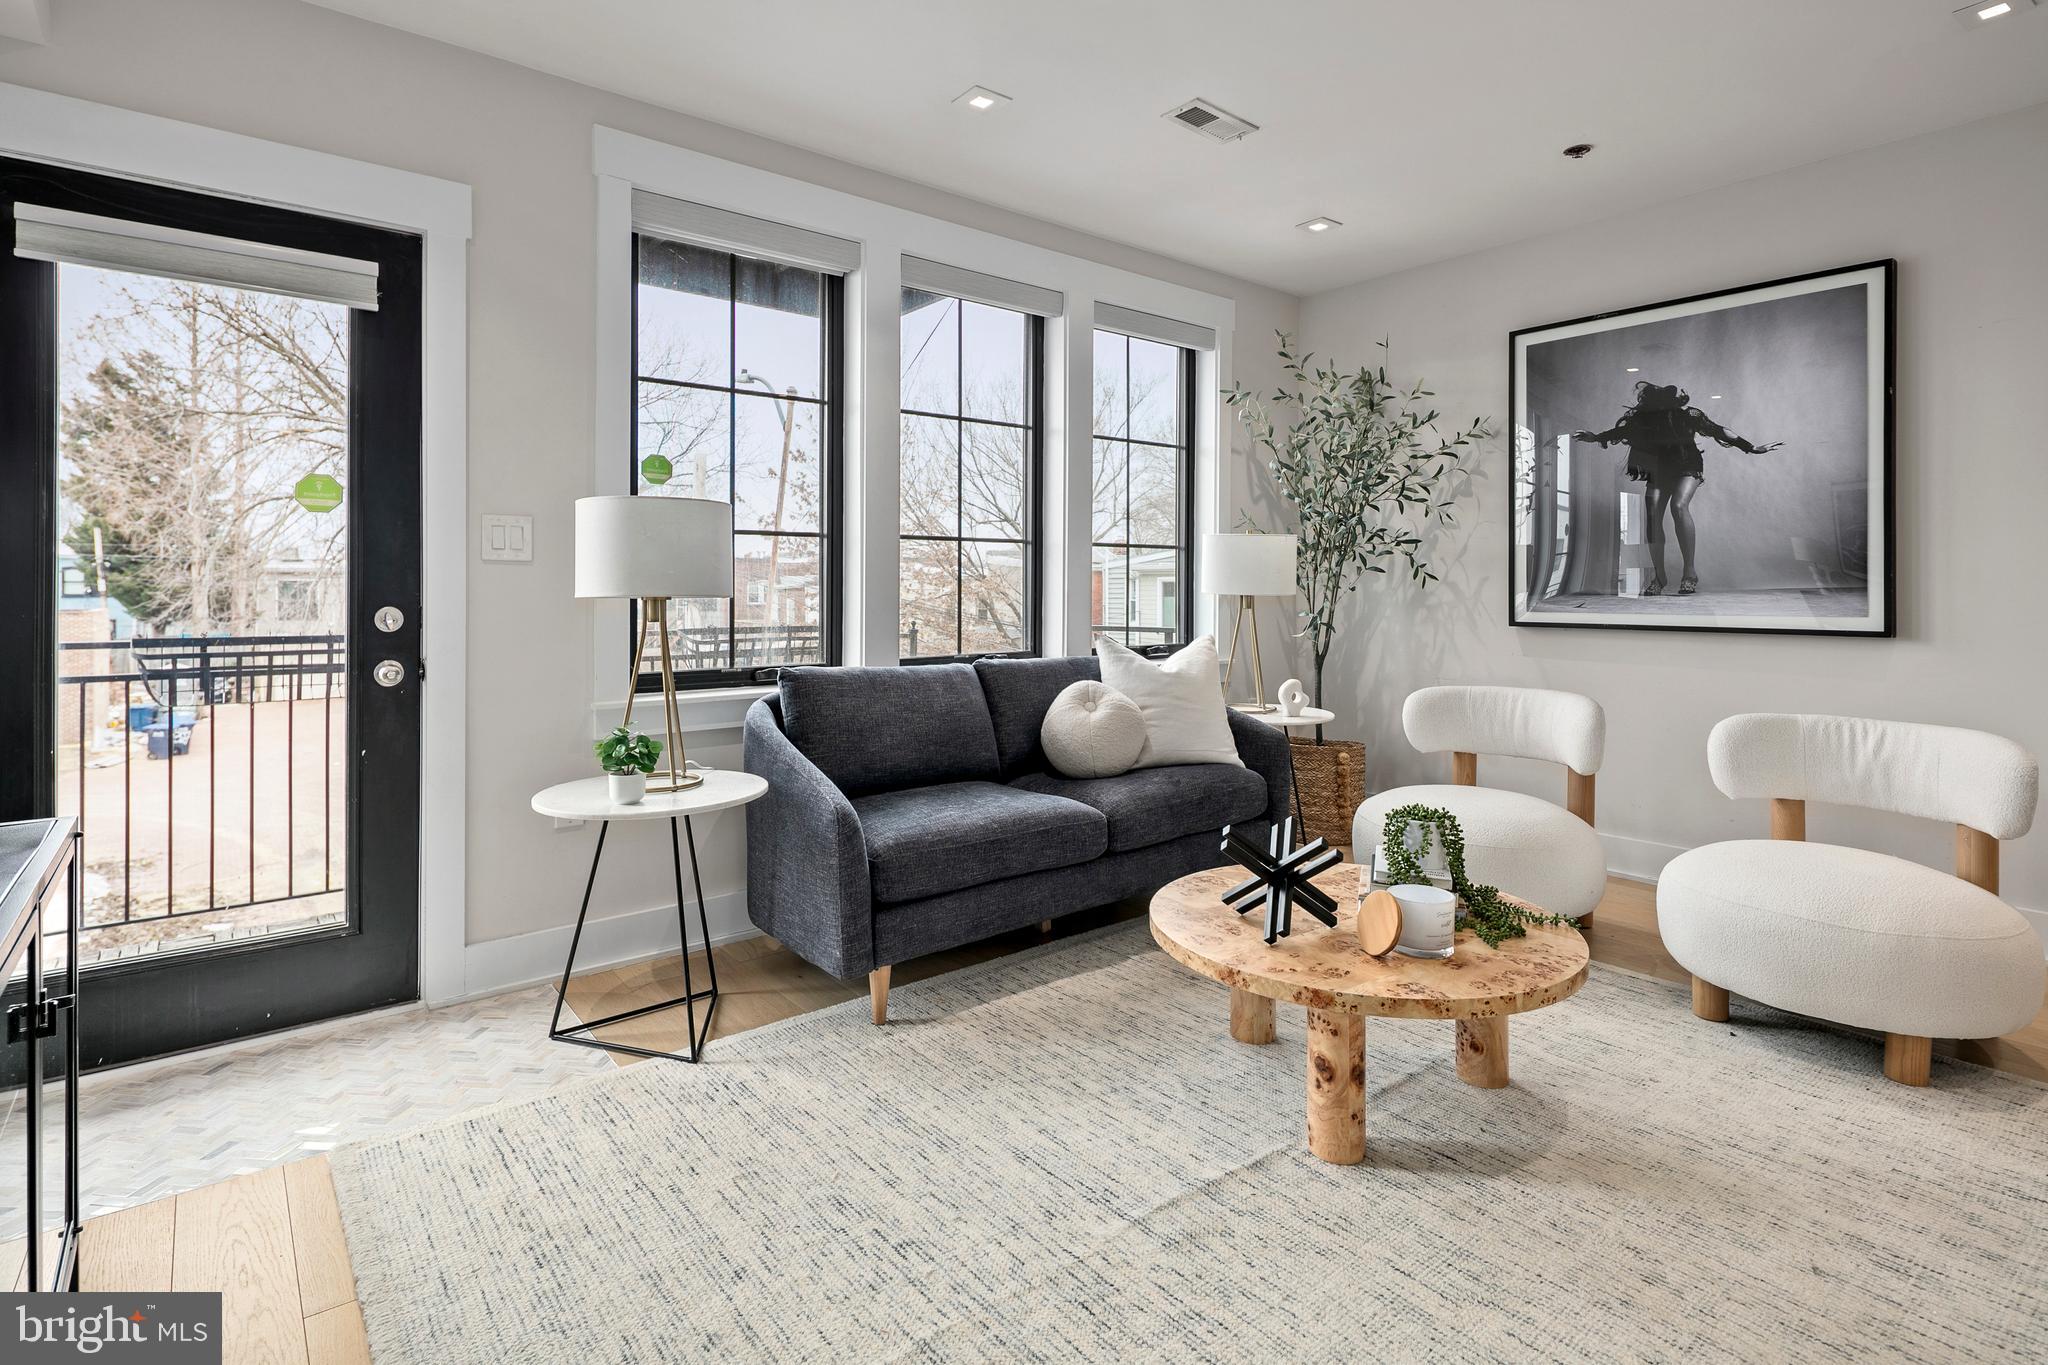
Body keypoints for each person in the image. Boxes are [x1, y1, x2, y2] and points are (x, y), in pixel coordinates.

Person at [1575, 382, 1783, 595]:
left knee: (1678, 506)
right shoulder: (1642, 420)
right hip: (1659, 469)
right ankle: (1659, 576)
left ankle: (1689, 573)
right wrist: (1595, 437)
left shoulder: (1688, 415)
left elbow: (1719, 430)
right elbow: (1619, 431)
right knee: (1653, 514)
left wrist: (1751, 447)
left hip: (1688, 464)